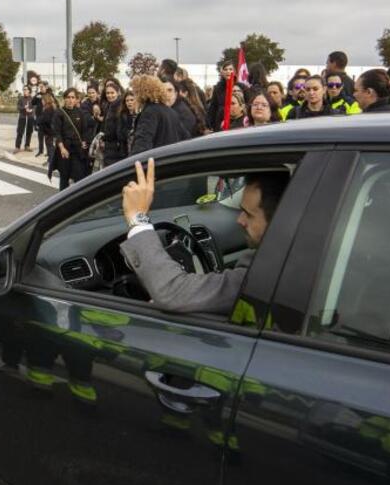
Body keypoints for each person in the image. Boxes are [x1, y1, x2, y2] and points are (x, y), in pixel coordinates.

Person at [118, 159, 288, 313]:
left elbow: (173, 292)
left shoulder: (267, 275)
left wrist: (137, 218)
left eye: (248, 214)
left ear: (279, 221)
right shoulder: (292, 260)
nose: (240, 220)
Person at [52, 88, 94, 191]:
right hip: (64, 149)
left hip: (77, 150)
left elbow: (85, 130)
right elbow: (57, 133)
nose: (70, 100)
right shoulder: (59, 113)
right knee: (64, 178)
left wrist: (85, 142)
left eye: (73, 97)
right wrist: (62, 148)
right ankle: (62, 201)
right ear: (64, 99)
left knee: (79, 176)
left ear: (76, 100)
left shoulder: (80, 113)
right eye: (68, 97)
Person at [129, 75, 184, 155]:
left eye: (135, 92)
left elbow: (142, 145)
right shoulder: (171, 112)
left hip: (155, 162)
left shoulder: (150, 112)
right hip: (169, 160)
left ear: (142, 92)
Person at [206, 61, 249, 132]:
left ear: (234, 72)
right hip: (220, 121)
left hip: (238, 121)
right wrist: (209, 124)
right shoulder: (218, 88)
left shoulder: (242, 87)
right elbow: (213, 106)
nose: (228, 71)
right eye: (225, 69)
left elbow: (248, 102)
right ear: (222, 72)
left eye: (230, 69)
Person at [99, 79, 131, 167]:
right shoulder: (109, 106)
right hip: (110, 148)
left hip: (117, 149)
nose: (110, 95)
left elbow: (121, 130)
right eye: (107, 93)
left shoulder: (121, 107)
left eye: (112, 93)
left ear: (118, 92)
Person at [15, 85, 35, 151]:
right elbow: (18, 107)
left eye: (26, 89)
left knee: (29, 132)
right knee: (20, 132)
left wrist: (31, 110)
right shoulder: (21, 98)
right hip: (22, 117)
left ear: (29, 90)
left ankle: (27, 146)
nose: (24, 91)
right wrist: (24, 108)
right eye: (24, 89)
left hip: (30, 117)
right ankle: (17, 147)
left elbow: (35, 107)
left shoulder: (32, 99)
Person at [33, 81, 48, 157]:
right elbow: (32, 103)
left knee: (48, 137)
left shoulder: (49, 94)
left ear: (46, 87)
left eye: (42, 87)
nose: (41, 88)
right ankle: (40, 150)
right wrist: (36, 96)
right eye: (40, 87)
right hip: (39, 118)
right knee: (40, 136)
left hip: (47, 119)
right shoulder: (38, 95)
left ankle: (48, 152)